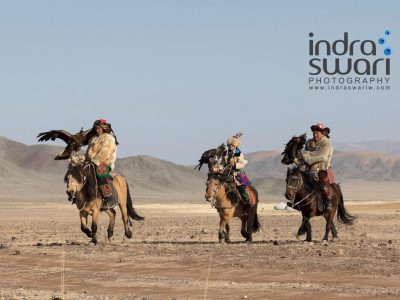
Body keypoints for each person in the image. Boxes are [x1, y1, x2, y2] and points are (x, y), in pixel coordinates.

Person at [86, 118, 119, 209]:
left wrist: (95, 161)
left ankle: (109, 200)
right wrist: (82, 160)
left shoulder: (109, 138)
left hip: (105, 163)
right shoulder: (93, 138)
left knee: (100, 173)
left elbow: (105, 153)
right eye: (96, 128)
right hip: (92, 163)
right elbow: (88, 154)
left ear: (103, 128)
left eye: (98, 128)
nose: (97, 130)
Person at [301, 123, 333, 210]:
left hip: (322, 169)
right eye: (314, 133)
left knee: (322, 184)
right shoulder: (309, 142)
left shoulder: (326, 143)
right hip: (309, 169)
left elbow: (320, 156)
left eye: (317, 133)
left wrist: (308, 156)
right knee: (297, 182)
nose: (315, 135)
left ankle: (328, 201)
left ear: (322, 133)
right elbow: (304, 154)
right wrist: (306, 156)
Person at [220, 132, 252, 209]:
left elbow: (242, 164)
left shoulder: (239, 153)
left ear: (235, 146)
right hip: (227, 173)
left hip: (237, 173)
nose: (230, 146)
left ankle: (247, 202)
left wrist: (235, 165)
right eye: (229, 145)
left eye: (232, 145)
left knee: (241, 188)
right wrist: (218, 167)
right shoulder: (225, 153)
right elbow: (222, 163)